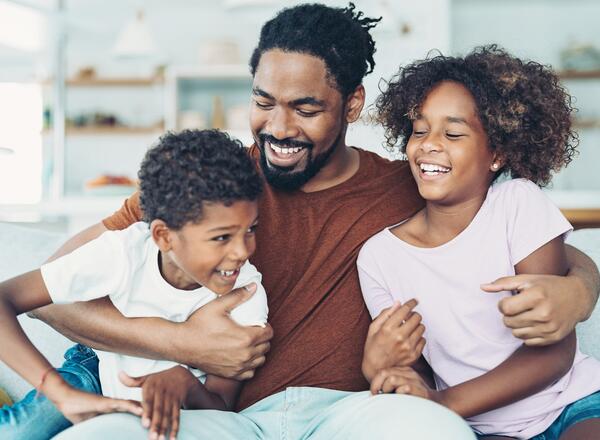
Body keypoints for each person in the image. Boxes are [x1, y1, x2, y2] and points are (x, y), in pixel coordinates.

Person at [29, 4, 598, 440]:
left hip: (350, 414)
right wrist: (184, 345)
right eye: (263, 101)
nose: (277, 127)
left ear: (352, 105)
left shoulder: (413, 182)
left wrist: (580, 291)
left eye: (305, 109)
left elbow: (523, 233)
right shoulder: (207, 181)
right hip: (230, 417)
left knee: (434, 432)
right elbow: (50, 293)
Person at [357, 46, 600, 440]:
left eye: (453, 133)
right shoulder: (380, 257)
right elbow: (416, 371)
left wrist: (444, 403)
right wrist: (386, 370)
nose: (430, 144)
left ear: (497, 154)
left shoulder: (518, 203)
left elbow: (554, 350)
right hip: (478, 426)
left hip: (571, 403)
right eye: (419, 130)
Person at [0, 129, 268, 440]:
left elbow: (222, 414)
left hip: (165, 414)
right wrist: (56, 389)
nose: (242, 251)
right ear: (163, 236)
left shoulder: (246, 295)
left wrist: (186, 383)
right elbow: (6, 297)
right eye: (221, 237)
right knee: (19, 432)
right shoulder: (122, 253)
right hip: (97, 372)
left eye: (251, 229)